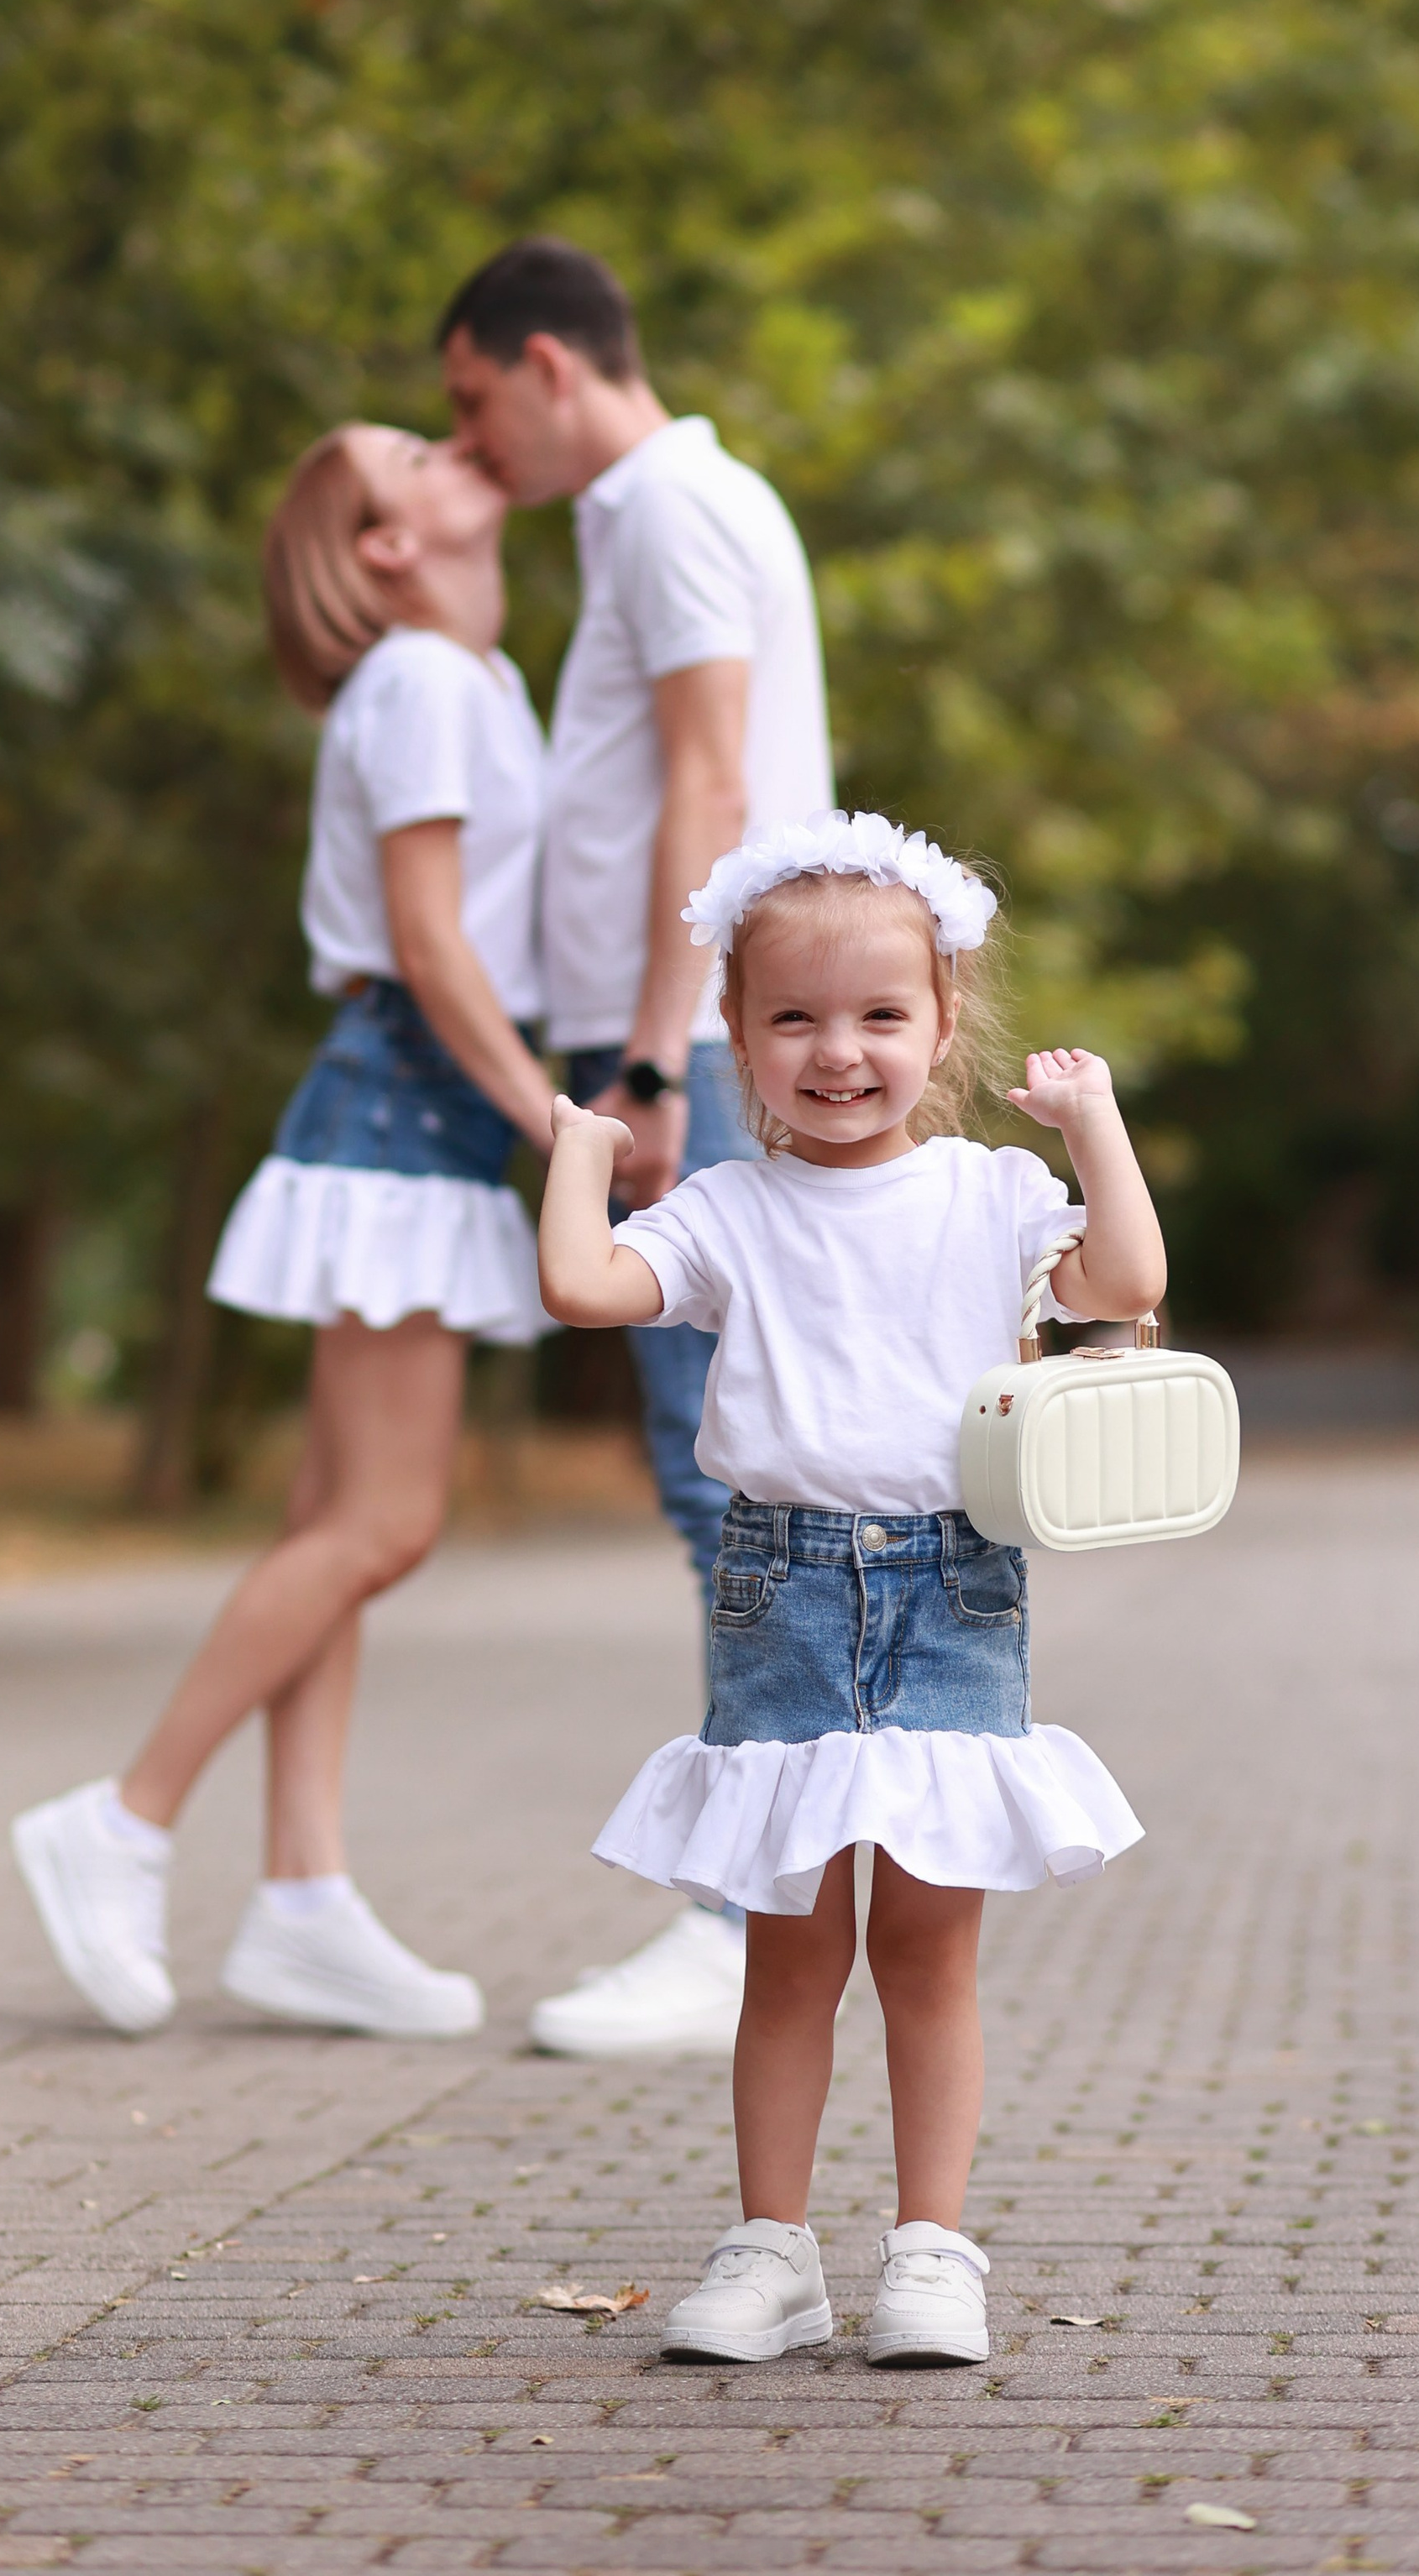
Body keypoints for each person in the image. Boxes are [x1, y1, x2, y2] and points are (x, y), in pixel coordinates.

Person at [538, 811, 1165, 2365]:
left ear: (942, 1024)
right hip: (785, 1594)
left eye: (881, 1013)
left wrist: (1093, 1125)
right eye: (795, 1018)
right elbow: (583, 1285)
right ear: (739, 1036)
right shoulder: (727, 1211)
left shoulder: (990, 1193)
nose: (839, 1051)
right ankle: (773, 2251)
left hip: (956, 1593)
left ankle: (933, 2251)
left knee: (928, 1954)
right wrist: (581, 1162)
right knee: (791, 1954)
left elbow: (1128, 1284)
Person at [11, 421, 555, 2040]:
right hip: (407, 1100)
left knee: (337, 1523)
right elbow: (428, 942)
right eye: (419, 454)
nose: (461, 447)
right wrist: (556, 1121)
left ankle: (303, 1899)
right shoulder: (427, 680)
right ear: (384, 545)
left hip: (415, 1108)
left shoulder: (472, 679)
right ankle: (123, 1819)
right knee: (382, 1527)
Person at [439, 236, 834, 2058]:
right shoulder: (663, 509)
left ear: (548, 362)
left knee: (726, 1483)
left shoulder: (668, 505)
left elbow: (708, 778)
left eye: (473, 401)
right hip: (685, 1037)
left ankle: (741, 1920)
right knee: (733, 1483)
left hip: (686, 1045)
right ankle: (764, 1902)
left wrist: (656, 1060)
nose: (472, 444)